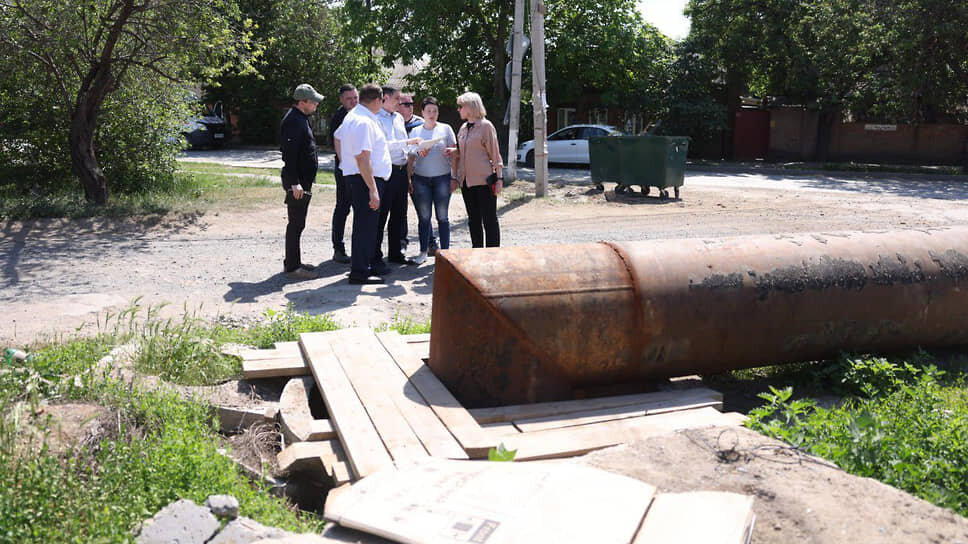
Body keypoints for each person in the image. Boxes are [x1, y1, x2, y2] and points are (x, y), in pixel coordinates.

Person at [334, 84, 420, 284]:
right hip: (365, 180)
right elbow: (363, 158)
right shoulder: (363, 121)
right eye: (382, 101)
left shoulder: (357, 117)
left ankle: (362, 268)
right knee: (366, 227)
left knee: (364, 226)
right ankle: (360, 272)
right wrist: (373, 189)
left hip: (361, 179)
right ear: (376, 101)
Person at [280, 83, 324, 280]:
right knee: (296, 224)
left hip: (302, 181)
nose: (316, 104)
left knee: (298, 223)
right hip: (297, 183)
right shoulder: (293, 121)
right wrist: (294, 183)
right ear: (302, 102)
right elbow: (289, 156)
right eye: (313, 101)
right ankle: (292, 268)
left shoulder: (301, 118)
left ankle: (293, 261)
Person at [407, 96, 456, 265]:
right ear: (422, 112)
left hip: (442, 177)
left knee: (442, 216)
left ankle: (446, 253)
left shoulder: (446, 129)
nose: (432, 114)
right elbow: (410, 157)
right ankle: (423, 251)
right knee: (424, 217)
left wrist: (454, 176)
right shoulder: (415, 131)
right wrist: (409, 178)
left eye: (435, 111)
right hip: (421, 179)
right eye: (428, 111)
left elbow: (456, 153)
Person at [451, 91, 503, 248]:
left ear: (470, 107)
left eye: (461, 106)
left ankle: (493, 254)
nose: (458, 109)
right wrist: (454, 151)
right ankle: (477, 252)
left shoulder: (486, 126)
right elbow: (465, 151)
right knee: (473, 220)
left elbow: (495, 154)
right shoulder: (463, 128)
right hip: (466, 182)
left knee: (489, 219)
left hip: (483, 181)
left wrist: (499, 179)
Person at [375, 85, 413, 265]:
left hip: (401, 170)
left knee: (399, 213)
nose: (400, 102)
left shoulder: (398, 117)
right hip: (386, 171)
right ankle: (375, 256)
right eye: (397, 99)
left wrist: (417, 148)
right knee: (381, 215)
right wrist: (407, 142)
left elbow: (403, 145)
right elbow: (385, 145)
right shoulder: (376, 118)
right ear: (386, 98)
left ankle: (396, 253)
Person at [399, 91, 438, 254]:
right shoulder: (393, 122)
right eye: (406, 104)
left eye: (411, 104)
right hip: (398, 171)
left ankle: (431, 243)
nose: (410, 107)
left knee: (423, 211)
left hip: (418, 174)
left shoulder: (420, 124)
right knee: (399, 210)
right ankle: (401, 243)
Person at [328, 84, 358, 264]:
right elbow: (336, 144)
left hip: (361, 169)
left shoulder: (361, 113)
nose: (353, 102)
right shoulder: (339, 117)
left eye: (355, 98)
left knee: (361, 210)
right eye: (349, 99)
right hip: (344, 170)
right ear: (341, 99)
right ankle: (338, 248)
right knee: (342, 208)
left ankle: (361, 249)